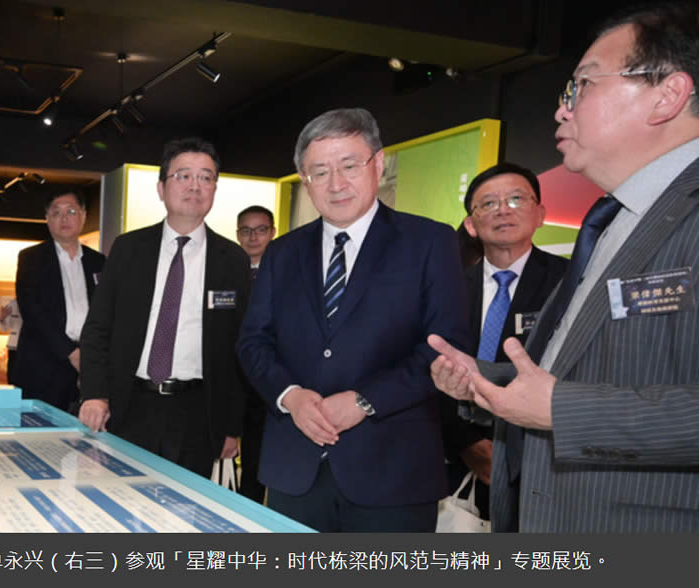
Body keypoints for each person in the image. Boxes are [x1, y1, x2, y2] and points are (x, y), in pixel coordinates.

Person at [429, 1, 699, 533]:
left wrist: (560, 410)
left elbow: (564, 399)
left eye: (581, 86)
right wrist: (486, 379)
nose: (560, 110)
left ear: (667, 95)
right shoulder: (614, 220)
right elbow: (586, 371)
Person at [237, 108, 470, 532]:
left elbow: (444, 346)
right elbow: (253, 342)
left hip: (393, 472)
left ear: (377, 163)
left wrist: (365, 399)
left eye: (349, 166)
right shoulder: (281, 253)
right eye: (320, 172)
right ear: (305, 180)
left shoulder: (429, 242)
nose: (336, 183)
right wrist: (290, 396)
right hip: (296, 466)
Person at [79, 137, 252, 478]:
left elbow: (238, 348)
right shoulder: (128, 249)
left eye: (205, 177)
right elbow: (98, 327)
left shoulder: (232, 259)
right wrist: (95, 394)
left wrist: (231, 426)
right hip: (129, 404)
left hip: (198, 412)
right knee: (121, 497)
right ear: (161, 188)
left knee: (185, 505)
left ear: (215, 189)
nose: (195, 186)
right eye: (183, 175)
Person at [442, 163, 567, 520]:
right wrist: (465, 442)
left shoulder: (571, 281)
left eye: (515, 199)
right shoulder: (446, 287)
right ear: (471, 224)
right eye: (488, 203)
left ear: (540, 214)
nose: (502, 210)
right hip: (457, 461)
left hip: (540, 460)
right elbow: (427, 366)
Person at [14, 190, 105, 412]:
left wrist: (90, 360)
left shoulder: (99, 262)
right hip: (44, 366)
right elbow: (33, 312)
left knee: (85, 431)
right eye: (56, 213)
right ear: (47, 219)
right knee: (39, 429)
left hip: (88, 366)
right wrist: (72, 354)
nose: (64, 218)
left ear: (83, 216)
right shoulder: (31, 259)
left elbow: (105, 314)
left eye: (71, 211)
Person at [235, 205, 276, 503]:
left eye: (260, 230)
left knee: (256, 460)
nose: (253, 237)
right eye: (246, 231)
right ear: (238, 234)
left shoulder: (285, 273)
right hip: (228, 378)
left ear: (272, 232)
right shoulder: (224, 270)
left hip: (265, 381)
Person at [0, 298, 22, 386]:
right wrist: (2, 318)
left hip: (30, 346)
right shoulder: (12, 305)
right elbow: (3, 328)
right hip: (14, 347)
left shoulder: (35, 303)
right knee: (12, 376)